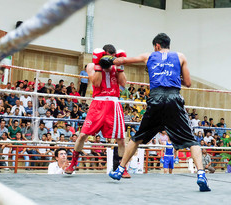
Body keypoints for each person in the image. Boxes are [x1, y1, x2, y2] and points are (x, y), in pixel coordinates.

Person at [109, 33, 211, 191]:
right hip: (174, 99)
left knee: (137, 138)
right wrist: (174, 77)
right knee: (191, 140)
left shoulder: (148, 56)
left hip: (156, 100)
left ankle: (120, 170)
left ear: (156, 45)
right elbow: (188, 83)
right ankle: (201, 174)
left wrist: (105, 59)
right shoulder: (180, 56)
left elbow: (120, 61)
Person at [65, 44, 130, 178]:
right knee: (83, 135)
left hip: (113, 102)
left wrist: (120, 67)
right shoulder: (91, 66)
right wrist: (99, 66)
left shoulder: (115, 67)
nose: (109, 60)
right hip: (98, 103)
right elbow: (96, 83)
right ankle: (73, 163)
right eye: (107, 57)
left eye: (112, 58)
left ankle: (121, 168)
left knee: (121, 139)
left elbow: (123, 83)